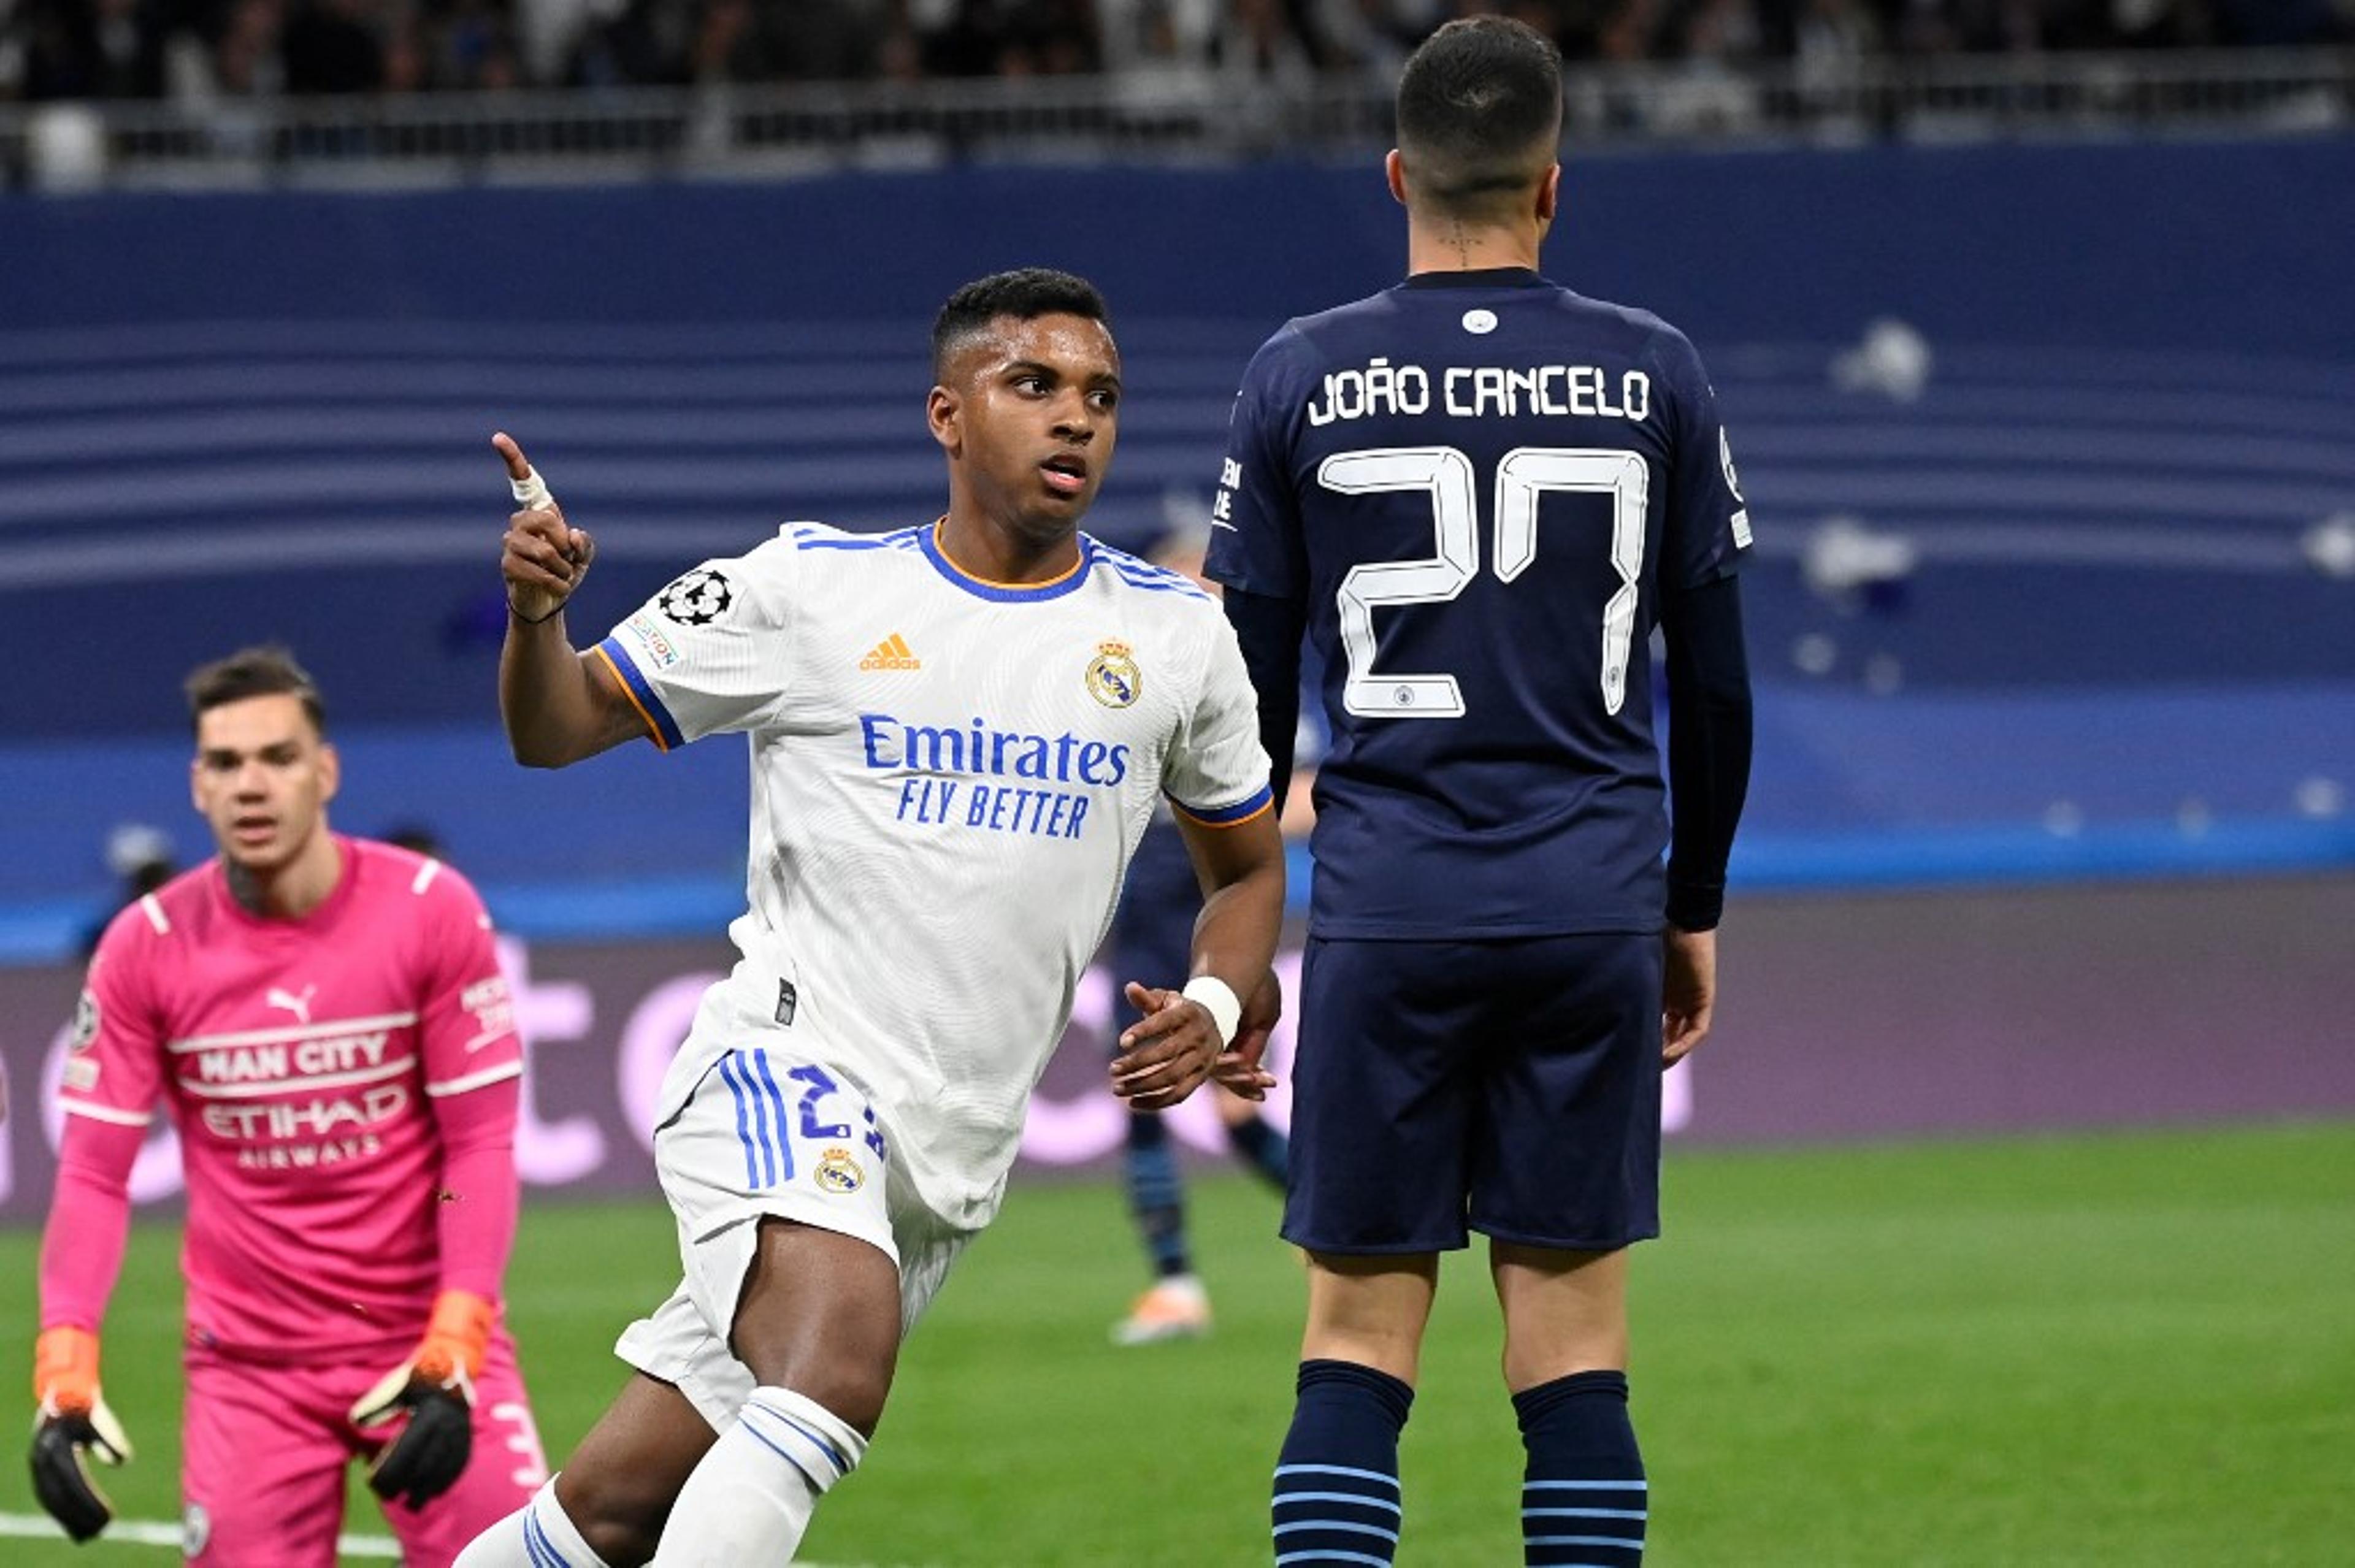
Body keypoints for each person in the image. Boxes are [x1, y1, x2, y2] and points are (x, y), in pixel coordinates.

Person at [458, 266, 1287, 1567]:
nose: (1076, 417)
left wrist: (1221, 1001)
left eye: (1102, 395)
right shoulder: (812, 592)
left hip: (943, 1165)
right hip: (785, 1072)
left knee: (611, 1510)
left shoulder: (1178, 638)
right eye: (1035, 385)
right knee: (836, 1372)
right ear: (948, 416)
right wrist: (537, 615)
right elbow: (557, 725)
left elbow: (1244, 874)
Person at [1204, 17, 1756, 1565]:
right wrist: (1688, 908)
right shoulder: (1656, 370)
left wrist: (1240, 942)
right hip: (1590, 905)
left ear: (1397, 176)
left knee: (1356, 1339)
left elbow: (1237, 704)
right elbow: (1713, 690)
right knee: (1574, 1346)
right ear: (1553, 189)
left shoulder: (1298, 372)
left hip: (1387, 913)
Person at [32, 645, 546, 1566]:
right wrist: (64, 1367)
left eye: (277, 757)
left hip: (423, 1336)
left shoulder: (431, 909)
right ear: (197, 785)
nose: (251, 786)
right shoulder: (144, 946)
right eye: (226, 764)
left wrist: (457, 1341)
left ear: (326, 770)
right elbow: (93, 1173)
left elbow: (480, 1142)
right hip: (249, 1370)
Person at [1105, 522, 1293, 1347]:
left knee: (1235, 1105)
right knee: (1146, 1100)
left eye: (1203, 586)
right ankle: (1178, 1284)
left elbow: (1300, 793)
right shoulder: (1121, 685)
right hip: (1142, 921)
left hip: (1217, 924)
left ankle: (1332, 1229)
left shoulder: (1245, 692)